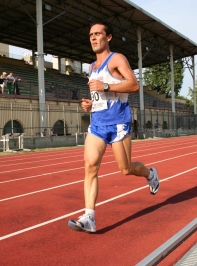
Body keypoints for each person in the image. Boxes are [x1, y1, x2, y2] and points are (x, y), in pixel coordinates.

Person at [67, 21, 160, 233]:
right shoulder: (91, 67)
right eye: (91, 34)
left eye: (98, 34)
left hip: (118, 123)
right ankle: (89, 217)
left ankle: (150, 174)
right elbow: (100, 96)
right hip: (97, 124)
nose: (93, 38)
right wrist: (90, 105)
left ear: (108, 37)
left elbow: (134, 85)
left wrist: (106, 85)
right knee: (90, 166)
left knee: (126, 169)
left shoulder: (116, 59)